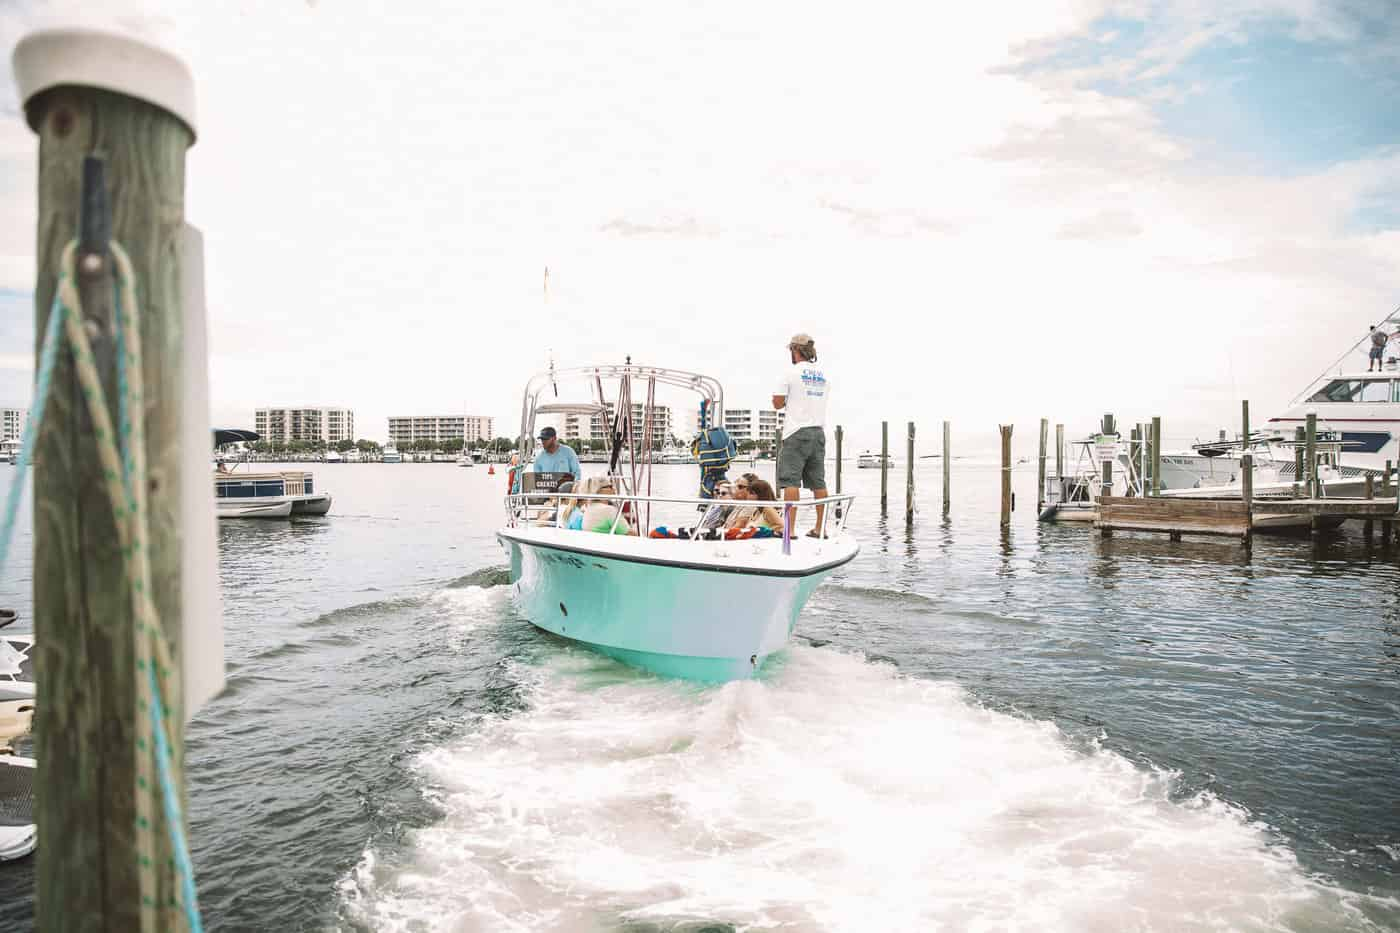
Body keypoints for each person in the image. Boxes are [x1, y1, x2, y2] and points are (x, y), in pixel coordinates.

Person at [772, 333, 830, 536]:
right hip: (818, 432)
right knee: (818, 483)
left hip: (796, 432)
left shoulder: (790, 373)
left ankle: (789, 530)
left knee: (790, 481)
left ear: (795, 350)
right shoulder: (823, 375)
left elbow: (777, 403)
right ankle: (820, 528)